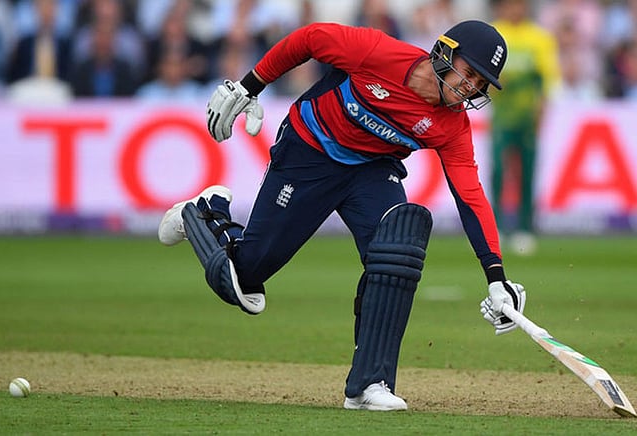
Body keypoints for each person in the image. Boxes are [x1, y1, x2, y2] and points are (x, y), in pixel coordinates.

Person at [158, 20, 526, 411]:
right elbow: (309, 38)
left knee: (397, 247)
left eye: (481, 82)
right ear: (444, 54)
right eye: (469, 72)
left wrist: (496, 277)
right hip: (309, 150)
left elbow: (470, 195)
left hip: (372, 170)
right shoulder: (377, 52)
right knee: (244, 279)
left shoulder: (452, 126)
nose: (471, 87)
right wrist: (250, 86)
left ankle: (369, 384)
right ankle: (205, 213)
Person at [489, 0, 561, 255]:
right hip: (501, 117)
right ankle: (495, 226)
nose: (515, 9)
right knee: (498, 171)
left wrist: (542, 112)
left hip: (527, 118)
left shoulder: (539, 38)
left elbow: (548, 79)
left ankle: (525, 228)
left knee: (527, 172)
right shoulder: (495, 33)